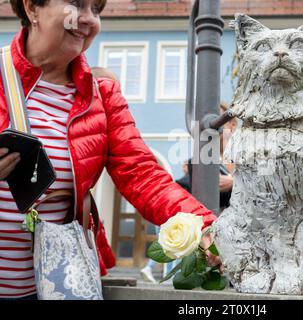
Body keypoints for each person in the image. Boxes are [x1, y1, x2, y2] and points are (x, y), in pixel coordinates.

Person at [0, 0, 218, 299]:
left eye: (97, 9)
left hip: (56, 288)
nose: (90, 19)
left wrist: (202, 224)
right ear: (31, 7)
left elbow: (142, 174)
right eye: (77, 4)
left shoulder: (101, 94)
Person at [176, 102, 237, 210]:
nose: (211, 125)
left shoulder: (247, 157)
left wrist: (234, 183)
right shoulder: (197, 163)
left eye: (217, 119)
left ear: (232, 125)